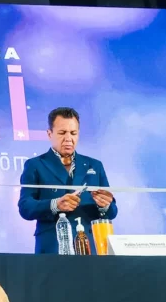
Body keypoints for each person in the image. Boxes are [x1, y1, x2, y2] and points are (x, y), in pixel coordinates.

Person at [18, 107, 117, 254]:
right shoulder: (35, 165)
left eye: (73, 133)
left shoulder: (95, 165)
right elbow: (25, 207)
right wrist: (55, 205)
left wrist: (105, 205)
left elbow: (112, 212)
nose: (68, 138)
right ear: (49, 134)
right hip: (52, 248)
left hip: (91, 248)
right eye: (62, 133)